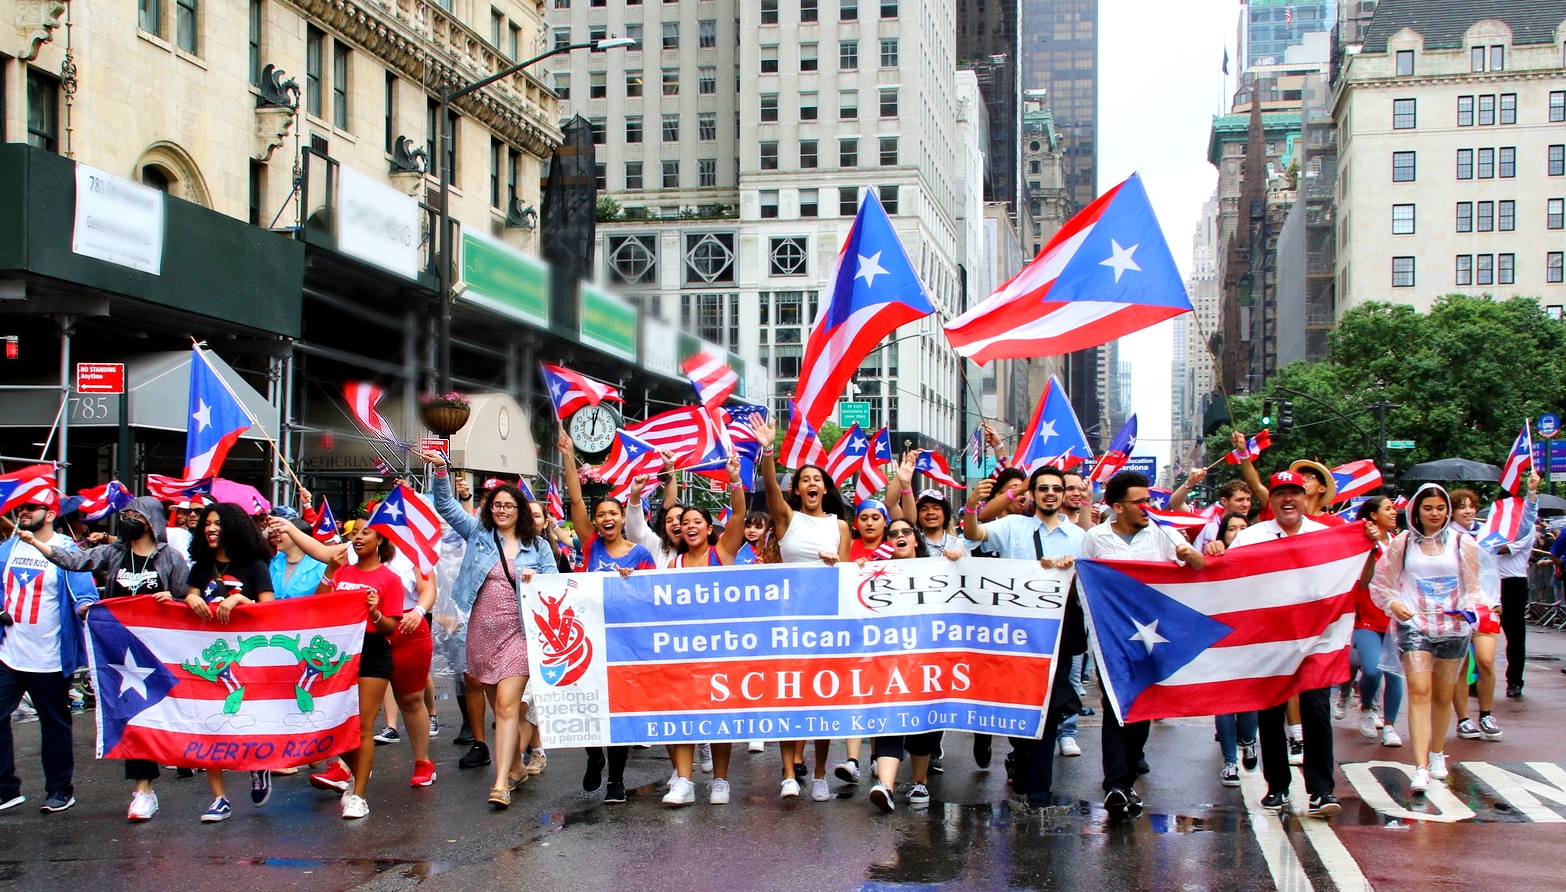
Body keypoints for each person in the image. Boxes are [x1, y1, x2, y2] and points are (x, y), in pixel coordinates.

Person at [21, 497, 189, 821]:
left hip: (160, 650)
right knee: (132, 714)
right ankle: (143, 790)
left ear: (151, 520)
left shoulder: (170, 558)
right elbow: (74, 561)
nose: (127, 519)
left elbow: (190, 597)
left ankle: (183, 755)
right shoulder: (113, 553)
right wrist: (39, 546)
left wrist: (176, 598)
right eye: (124, 515)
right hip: (121, 652)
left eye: (134, 514)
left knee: (162, 714)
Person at [422, 449, 558, 809]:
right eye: (496, 505)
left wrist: (536, 579)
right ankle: (515, 764)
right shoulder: (478, 533)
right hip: (482, 630)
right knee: (499, 707)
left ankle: (500, 784)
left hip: (521, 632)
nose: (501, 510)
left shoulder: (538, 546)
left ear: (520, 511)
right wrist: (440, 473)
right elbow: (448, 508)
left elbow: (556, 586)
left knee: (508, 702)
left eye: (508, 506)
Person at [279, 521, 435, 817]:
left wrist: (375, 611)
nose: (358, 538)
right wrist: (328, 571)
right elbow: (319, 607)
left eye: (365, 533)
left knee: (363, 725)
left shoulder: (389, 578)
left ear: (380, 541)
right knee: (340, 722)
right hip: (340, 653)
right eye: (355, 534)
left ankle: (359, 796)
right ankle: (350, 772)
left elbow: (390, 626)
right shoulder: (343, 571)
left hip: (372, 652)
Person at [1079, 471, 1206, 818]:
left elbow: (1199, 564)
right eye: (1140, 502)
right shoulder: (1096, 538)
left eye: (1149, 500)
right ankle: (1116, 784)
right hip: (1112, 638)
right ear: (1118, 507)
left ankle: (1130, 771)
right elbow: (1084, 580)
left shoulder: (1163, 533)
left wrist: (1188, 553)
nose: (1148, 507)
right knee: (1116, 707)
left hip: (1153, 636)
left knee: (1141, 706)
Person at [1227, 471, 1353, 819]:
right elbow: (1228, 576)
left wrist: (1368, 547)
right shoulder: (1251, 538)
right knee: (1270, 712)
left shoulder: (1326, 537)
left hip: (1315, 639)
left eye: (1294, 492)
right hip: (1269, 639)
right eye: (1281, 492)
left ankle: (1321, 789)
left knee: (1316, 710)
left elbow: (1354, 574)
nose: (1288, 499)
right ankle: (1277, 786)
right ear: (1271, 499)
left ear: (1305, 498)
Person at [961, 464, 1085, 813]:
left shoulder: (1078, 537)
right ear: (1032, 493)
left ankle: (1039, 787)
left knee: (1048, 705)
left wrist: (1070, 572)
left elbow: (1093, 582)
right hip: (1014, 635)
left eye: (1056, 489)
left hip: (1056, 633)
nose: (1049, 494)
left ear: (1063, 495)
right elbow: (974, 534)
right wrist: (972, 505)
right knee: (1017, 702)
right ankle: (1023, 756)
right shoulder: (1013, 526)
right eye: (1042, 488)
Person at [751, 415, 851, 799]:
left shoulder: (840, 526)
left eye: (817, 480)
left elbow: (847, 575)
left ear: (825, 489)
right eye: (805, 479)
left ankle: (821, 773)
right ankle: (789, 773)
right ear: (798, 488)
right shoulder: (786, 518)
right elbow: (771, 485)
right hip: (789, 618)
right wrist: (768, 449)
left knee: (821, 697)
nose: (811, 484)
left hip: (826, 619)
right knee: (789, 696)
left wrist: (836, 565)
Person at [558, 431, 658, 805]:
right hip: (587, 641)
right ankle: (594, 756)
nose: (606, 519)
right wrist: (569, 456)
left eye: (612, 513)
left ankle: (616, 779)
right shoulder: (590, 546)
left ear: (622, 518)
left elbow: (651, 602)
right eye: (600, 515)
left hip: (625, 645)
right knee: (583, 706)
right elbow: (574, 499)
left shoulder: (641, 556)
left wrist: (634, 585)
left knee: (621, 712)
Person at [1370, 484, 1483, 794]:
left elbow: (1475, 586)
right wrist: (1393, 604)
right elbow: (1382, 584)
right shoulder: (1402, 543)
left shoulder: (1463, 542)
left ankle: (1436, 754)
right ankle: (1418, 766)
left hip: (1452, 627)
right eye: (1428, 508)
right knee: (1419, 690)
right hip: (1414, 626)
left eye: (1440, 508)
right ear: (1416, 511)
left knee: (1443, 695)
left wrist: (1470, 608)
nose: (1435, 514)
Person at [174, 502, 276, 822]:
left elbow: (270, 609)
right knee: (210, 725)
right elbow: (190, 598)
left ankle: (258, 765)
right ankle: (219, 798)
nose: (210, 528)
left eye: (217, 522)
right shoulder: (201, 566)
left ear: (233, 527)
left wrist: (241, 599)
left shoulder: (253, 566)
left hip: (247, 657)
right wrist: (189, 597)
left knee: (247, 721)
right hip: (208, 655)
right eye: (206, 523)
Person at [0, 496, 99, 815]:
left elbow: (84, 596)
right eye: (21, 508)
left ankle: (59, 790)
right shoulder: (7, 549)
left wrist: (86, 610)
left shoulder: (68, 550)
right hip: (9, 654)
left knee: (55, 725)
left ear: (51, 514)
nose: (24, 513)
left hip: (51, 657)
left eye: (31, 508)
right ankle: (6, 789)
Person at [660, 455, 748, 807]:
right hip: (683, 649)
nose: (690, 525)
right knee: (680, 711)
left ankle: (721, 781)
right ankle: (683, 780)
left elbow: (739, 516)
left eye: (697, 521)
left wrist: (735, 480)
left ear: (709, 529)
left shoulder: (722, 552)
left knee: (718, 715)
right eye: (684, 522)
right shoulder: (672, 564)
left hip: (719, 648)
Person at [864, 519, 958, 813]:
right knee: (889, 719)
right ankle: (886, 787)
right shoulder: (874, 571)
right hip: (889, 660)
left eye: (906, 532)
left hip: (928, 659)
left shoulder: (939, 569)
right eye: (893, 534)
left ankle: (920, 782)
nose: (900, 536)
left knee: (924, 721)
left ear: (916, 540)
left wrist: (958, 561)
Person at [1447, 480, 1538, 739]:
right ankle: (1463, 719)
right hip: (1455, 607)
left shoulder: (1485, 532)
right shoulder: (1446, 536)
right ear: (1451, 511)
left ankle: (1486, 714)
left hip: (1485, 605)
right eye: (1461, 507)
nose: (1467, 511)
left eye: (1472, 506)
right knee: (1461, 666)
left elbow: (1523, 524)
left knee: (1486, 661)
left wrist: (1531, 494)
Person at [1210, 512, 1259, 787]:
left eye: (1244, 528)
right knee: (1224, 701)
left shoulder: (1263, 561)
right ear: (1223, 534)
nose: (1238, 533)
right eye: (1232, 529)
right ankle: (1230, 761)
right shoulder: (1214, 558)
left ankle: (1249, 740)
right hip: (1221, 639)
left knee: (1248, 698)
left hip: (1254, 638)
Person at [1351, 497, 1405, 748]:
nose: (1394, 512)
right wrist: (1369, 544)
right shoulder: (1362, 540)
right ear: (1372, 515)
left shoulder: (1399, 542)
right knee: (1372, 669)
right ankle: (1366, 707)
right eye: (1388, 509)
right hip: (1366, 616)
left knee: (1394, 675)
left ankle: (1390, 726)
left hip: (1394, 617)